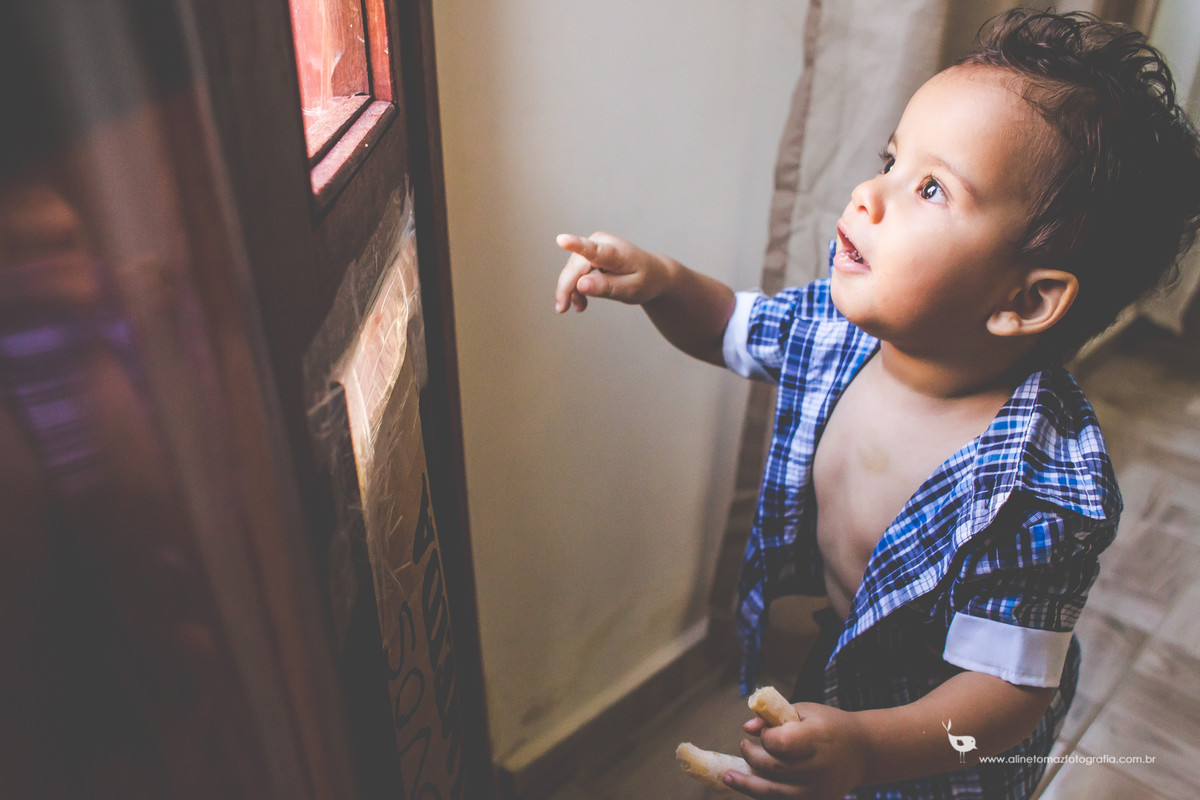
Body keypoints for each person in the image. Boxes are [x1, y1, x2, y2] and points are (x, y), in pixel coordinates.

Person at [553, 10, 1200, 800]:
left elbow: (1007, 699)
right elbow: (728, 323)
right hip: (849, 660)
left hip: (945, 738)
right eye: (890, 160)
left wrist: (873, 747)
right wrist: (660, 281)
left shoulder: (1039, 484)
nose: (868, 193)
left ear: (1025, 299)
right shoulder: (837, 332)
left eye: (929, 188)